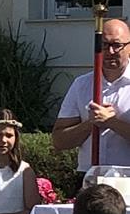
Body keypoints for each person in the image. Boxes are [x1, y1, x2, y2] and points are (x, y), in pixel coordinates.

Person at [52, 18, 130, 189]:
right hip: (90, 177)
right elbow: (59, 140)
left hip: (127, 176)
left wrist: (111, 122)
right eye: (104, 45)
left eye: (117, 45)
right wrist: (90, 124)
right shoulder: (82, 85)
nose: (110, 51)